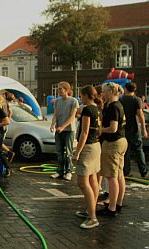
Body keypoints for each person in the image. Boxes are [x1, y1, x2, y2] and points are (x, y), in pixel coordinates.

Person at [73, 86, 102, 229]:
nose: (80, 98)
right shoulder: (97, 108)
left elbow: (84, 132)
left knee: (83, 183)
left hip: (88, 147)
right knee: (93, 180)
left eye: (81, 96)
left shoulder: (87, 109)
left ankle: (92, 217)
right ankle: (91, 210)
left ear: (86, 96)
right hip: (96, 146)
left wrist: (77, 152)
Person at [97, 82, 127, 217]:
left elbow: (113, 128)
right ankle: (118, 203)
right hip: (122, 141)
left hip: (113, 143)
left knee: (111, 177)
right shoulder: (119, 105)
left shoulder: (113, 107)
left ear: (110, 92)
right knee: (119, 175)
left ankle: (112, 208)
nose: (102, 94)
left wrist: (101, 130)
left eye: (103, 92)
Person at [50, 81, 79, 181]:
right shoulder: (57, 102)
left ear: (66, 89)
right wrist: (52, 125)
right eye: (58, 89)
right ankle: (60, 171)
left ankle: (69, 171)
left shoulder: (73, 101)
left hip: (69, 130)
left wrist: (63, 127)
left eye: (60, 89)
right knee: (59, 152)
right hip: (59, 130)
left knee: (68, 152)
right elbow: (55, 115)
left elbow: (72, 117)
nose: (58, 91)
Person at [120, 82, 148, 178]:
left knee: (126, 151)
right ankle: (143, 171)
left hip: (124, 128)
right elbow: (140, 115)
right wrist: (144, 129)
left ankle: (126, 172)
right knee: (139, 150)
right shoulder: (137, 100)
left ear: (126, 89)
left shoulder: (121, 99)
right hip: (135, 128)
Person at [0, 87, 16, 162]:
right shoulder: (4, 100)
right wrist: (7, 119)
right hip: (4, 124)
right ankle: (6, 154)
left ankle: (9, 153)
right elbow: (10, 111)